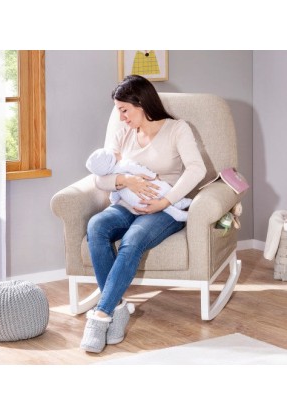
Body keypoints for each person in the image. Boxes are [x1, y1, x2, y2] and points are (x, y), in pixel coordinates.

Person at [80, 75, 206, 353]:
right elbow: (100, 176)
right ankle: (118, 307)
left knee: (133, 240)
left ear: (141, 103)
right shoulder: (122, 133)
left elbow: (197, 169)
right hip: (126, 203)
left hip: (164, 208)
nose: (121, 117)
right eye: (118, 110)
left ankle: (100, 316)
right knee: (96, 226)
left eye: (124, 110)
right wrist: (125, 181)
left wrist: (164, 201)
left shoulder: (177, 129)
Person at [86, 147, 192, 222]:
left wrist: (114, 201)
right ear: (112, 158)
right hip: (150, 191)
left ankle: (178, 213)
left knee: (158, 203)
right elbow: (138, 169)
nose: (116, 150)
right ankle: (179, 202)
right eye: (113, 152)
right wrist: (153, 175)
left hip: (138, 203)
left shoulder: (113, 179)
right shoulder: (124, 164)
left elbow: (114, 195)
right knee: (162, 189)